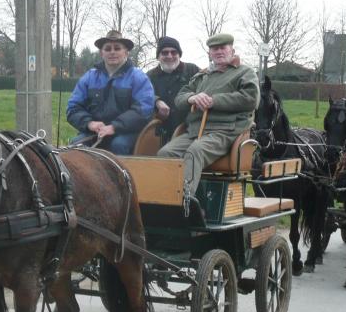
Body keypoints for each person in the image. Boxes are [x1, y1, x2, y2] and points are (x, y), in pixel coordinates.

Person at [157, 33, 259, 219]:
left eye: (223, 48)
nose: (219, 52)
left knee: (195, 151)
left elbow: (251, 99)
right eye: (215, 49)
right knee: (165, 153)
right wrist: (192, 97)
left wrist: (214, 101)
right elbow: (179, 98)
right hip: (194, 130)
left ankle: (184, 206)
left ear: (232, 50)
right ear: (210, 53)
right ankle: (163, 202)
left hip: (225, 131)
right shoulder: (201, 76)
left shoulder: (245, 72)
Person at [67, 30, 155, 155]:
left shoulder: (139, 77)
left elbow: (143, 110)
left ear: (126, 52)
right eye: (107, 49)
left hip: (126, 133)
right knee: (75, 145)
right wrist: (90, 124)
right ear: (101, 53)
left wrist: (114, 127)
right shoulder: (89, 77)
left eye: (117, 48)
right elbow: (73, 108)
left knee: (118, 144)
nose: (112, 52)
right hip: (94, 133)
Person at [146, 36, 200, 145]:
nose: (169, 56)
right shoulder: (150, 76)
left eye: (174, 52)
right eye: (164, 53)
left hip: (189, 128)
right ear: (158, 56)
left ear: (179, 54)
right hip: (159, 130)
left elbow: (206, 87)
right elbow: (142, 96)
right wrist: (156, 101)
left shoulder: (192, 70)